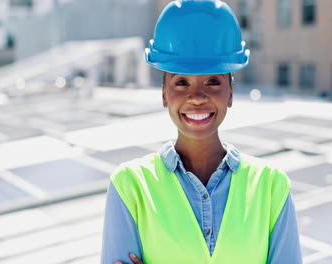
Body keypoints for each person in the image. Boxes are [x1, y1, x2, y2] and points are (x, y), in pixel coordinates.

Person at [100, 0, 302, 263]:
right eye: (181, 82)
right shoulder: (130, 187)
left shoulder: (272, 187)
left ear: (230, 93)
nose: (197, 97)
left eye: (213, 81)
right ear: (164, 94)